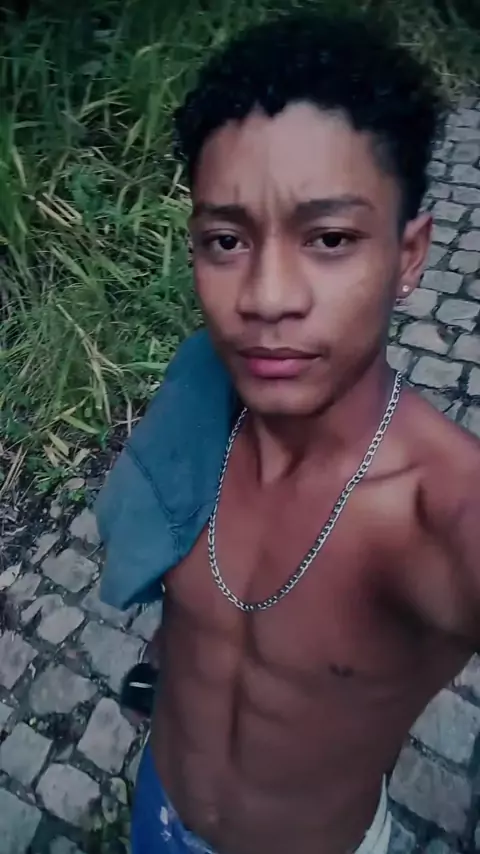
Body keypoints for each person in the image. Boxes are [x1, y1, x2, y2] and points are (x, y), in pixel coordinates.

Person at [96, 11, 480, 854]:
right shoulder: (201, 399)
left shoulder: (442, 516)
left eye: (330, 238)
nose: (267, 297)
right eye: (226, 240)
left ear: (409, 255)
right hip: (160, 810)